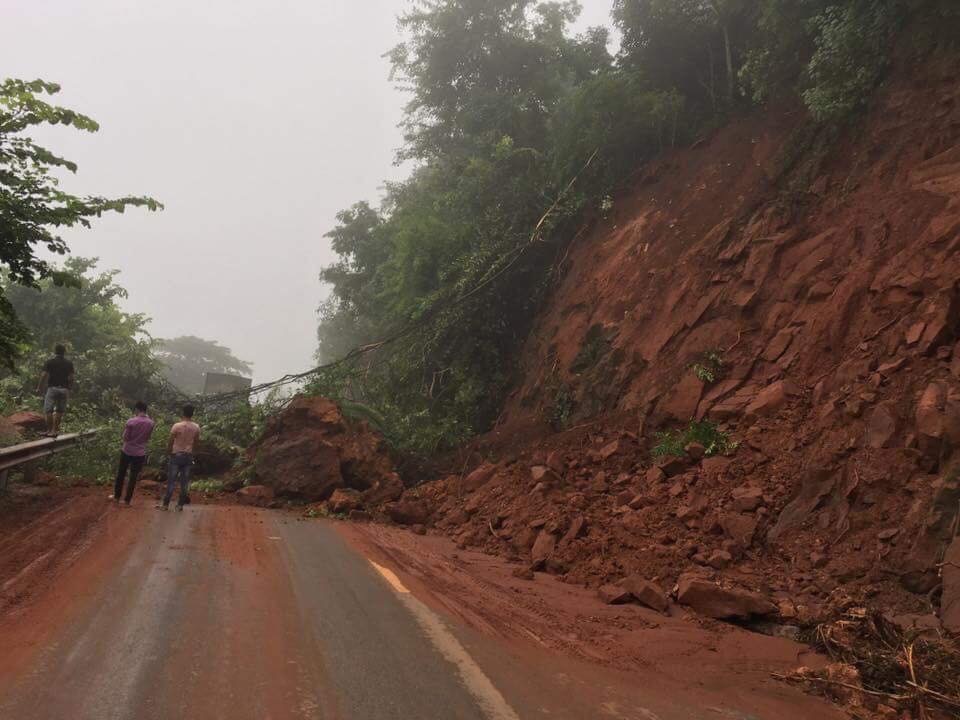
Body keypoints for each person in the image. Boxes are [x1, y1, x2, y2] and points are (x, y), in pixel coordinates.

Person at [110, 401, 155, 506]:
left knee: (121, 474)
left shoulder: (131, 421)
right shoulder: (151, 423)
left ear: (137, 409)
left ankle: (117, 497)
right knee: (133, 477)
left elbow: (125, 437)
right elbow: (148, 437)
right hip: (140, 453)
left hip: (127, 450)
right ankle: (127, 501)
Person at [158, 404, 200, 512]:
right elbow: (196, 442)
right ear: (192, 414)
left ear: (183, 413)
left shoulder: (177, 426)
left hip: (176, 455)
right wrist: (193, 453)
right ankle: (180, 505)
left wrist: (169, 452)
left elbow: (171, 441)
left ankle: (165, 504)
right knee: (184, 482)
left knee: (171, 481)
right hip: (188, 456)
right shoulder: (196, 427)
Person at [36, 344, 75, 437]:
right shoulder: (69, 363)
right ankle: (54, 431)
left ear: (55, 351)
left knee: (48, 410)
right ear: (64, 352)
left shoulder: (50, 362)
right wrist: (69, 388)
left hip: (52, 388)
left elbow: (43, 375)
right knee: (59, 411)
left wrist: (39, 387)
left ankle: (49, 430)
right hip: (64, 389)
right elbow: (71, 378)